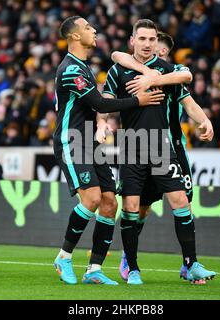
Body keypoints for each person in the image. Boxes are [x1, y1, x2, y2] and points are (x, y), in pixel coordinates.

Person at [52, 16, 165, 286]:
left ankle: (94, 269)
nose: (95, 30)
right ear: (75, 36)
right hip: (72, 140)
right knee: (90, 198)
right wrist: (139, 100)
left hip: (89, 142)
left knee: (109, 203)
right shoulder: (71, 70)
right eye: (89, 28)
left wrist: (101, 127)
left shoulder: (83, 66)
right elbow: (100, 104)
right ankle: (63, 257)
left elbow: (98, 106)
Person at [102, 19, 212, 285]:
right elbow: (105, 99)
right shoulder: (118, 71)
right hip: (130, 146)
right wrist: (102, 119)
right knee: (131, 207)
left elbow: (187, 100)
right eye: (142, 39)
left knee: (181, 202)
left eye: (152, 39)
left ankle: (191, 263)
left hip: (162, 147)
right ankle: (134, 268)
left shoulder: (165, 70)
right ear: (133, 41)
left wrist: (204, 120)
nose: (148, 44)